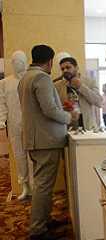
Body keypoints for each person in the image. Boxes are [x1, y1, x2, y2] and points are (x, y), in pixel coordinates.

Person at [18, 45, 79, 240]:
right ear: (50, 61)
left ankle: (43, 220)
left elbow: (39, 108)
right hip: (45, 140)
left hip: (35, 139)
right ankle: (37, 230)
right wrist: (70, 117)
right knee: (43, 186)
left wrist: (59, 107)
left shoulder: (25, 79)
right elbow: (49, 111)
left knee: (42, 185)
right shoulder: (42, 78)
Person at [0, 50, 31, 200]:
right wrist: (1, 120)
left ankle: (35, 185)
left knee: (33, 155)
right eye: (15, 61)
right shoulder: (5, 83)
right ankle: (24, 185)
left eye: (20, 61)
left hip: (32, 124)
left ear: (25, 62)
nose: (17, 64)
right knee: (19, 156)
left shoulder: (31, 79)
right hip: (14, 124)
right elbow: (1, 103)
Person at [55, 57, 103, 130]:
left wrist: (81, 86)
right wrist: (62, 108)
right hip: (67, 129)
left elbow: (99, 102)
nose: (65, 70)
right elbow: (53, 107)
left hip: (87, 128)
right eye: (62, 69)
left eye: (68, 67)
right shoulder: (58, 86)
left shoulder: (89, 82)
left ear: (76, 68)